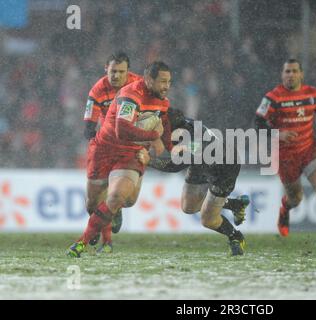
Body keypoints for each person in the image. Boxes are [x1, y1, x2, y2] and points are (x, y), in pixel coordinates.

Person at [67, 61, 172, 257]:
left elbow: (165, 129)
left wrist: (176, 148)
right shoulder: (129, 94)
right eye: (163, 82)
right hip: (104, 150)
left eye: (169, 82)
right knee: (92, 204)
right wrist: (152, 136)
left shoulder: (162, 102)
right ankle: (104, 233)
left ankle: (82, 243)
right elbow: (121, 129)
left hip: (130, 152)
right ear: (149, 80)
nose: (167, 86)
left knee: (122, 199)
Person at [255, 59, 316, 245]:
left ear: (301, 74)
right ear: (282, 75)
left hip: (309, 150)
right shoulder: (273, 97)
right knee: (295, 199)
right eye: (287, 71)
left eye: (294, 71)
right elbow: (258, 123)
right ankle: (284, 210)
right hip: (285, 156)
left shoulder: (313, 94)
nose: (290, 75)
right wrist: (278, 134)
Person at [138, 108, 249, 256]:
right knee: (188, 207)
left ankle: (235, 236)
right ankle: (235, 204)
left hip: (224, 169)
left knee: (208, 219)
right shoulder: (179, 125)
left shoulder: (188, 138)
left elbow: (174, 166)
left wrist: (149, 161)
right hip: (202, 162)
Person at [82, 52, 142, 251]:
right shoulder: (98, 90)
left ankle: (114, 212)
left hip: (130, 144)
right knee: (92, 203)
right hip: (106, 146)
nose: (116, 76)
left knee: (130, 200)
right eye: (113, 71)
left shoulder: (139, 86)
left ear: (128, 72)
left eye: (121, 72)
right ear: (105, 69)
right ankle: (101, 230)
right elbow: (88, 128)